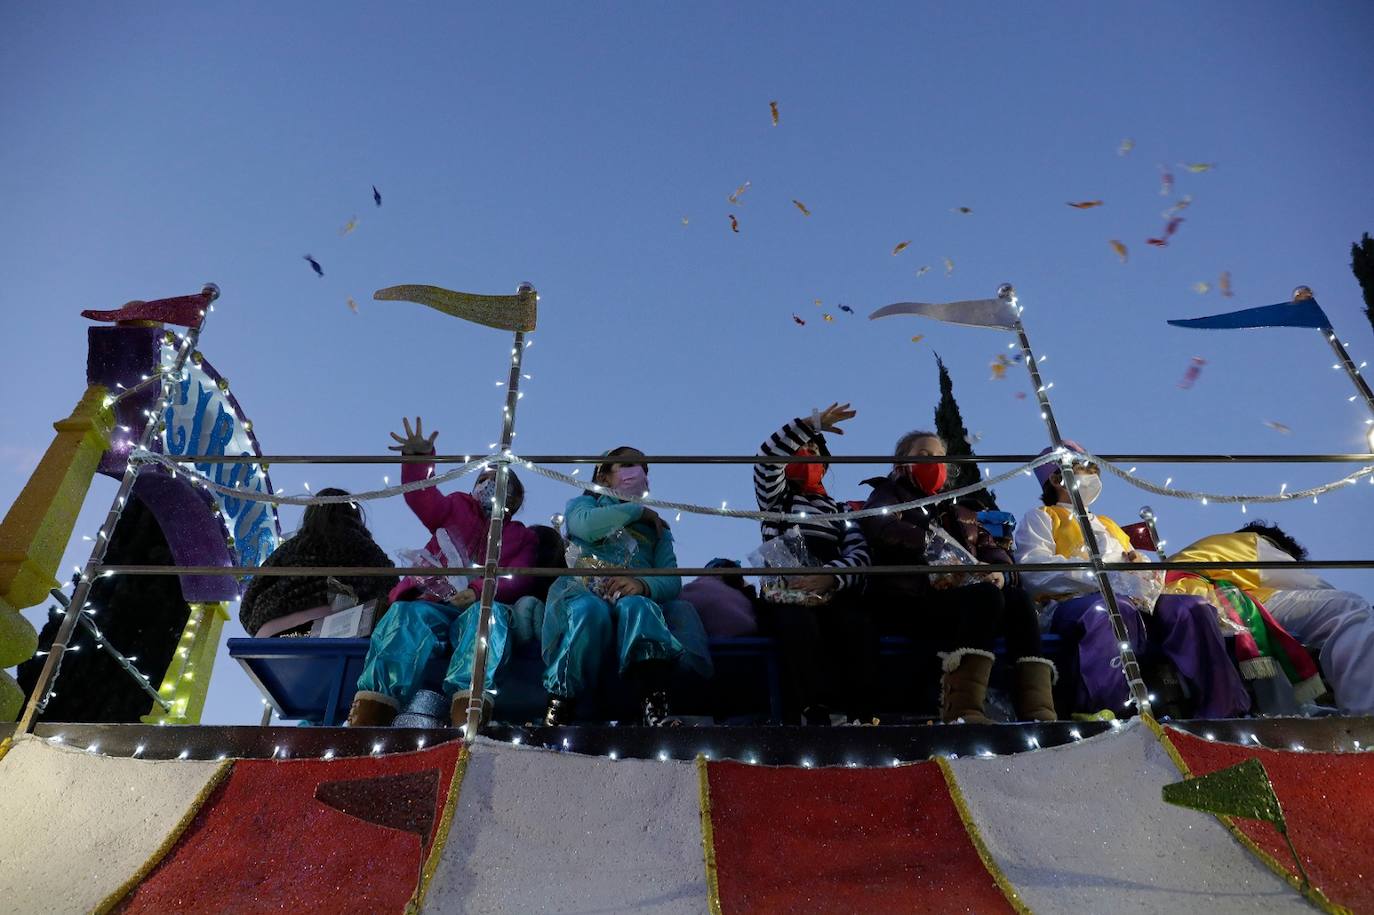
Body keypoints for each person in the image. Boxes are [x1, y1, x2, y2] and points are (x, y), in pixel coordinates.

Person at [1013, 443, 1250, 718]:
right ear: (1057, 478)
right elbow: (1035, 572)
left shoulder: (1108, 524)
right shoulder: (1041, 518)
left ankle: (1224, 708)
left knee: (1192, 608)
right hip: (1075, 602)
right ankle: (1108, 709)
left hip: (1135, 600)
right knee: (1111, 611)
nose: (1093, 479)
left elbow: (1135, 563)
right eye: (1084, 471)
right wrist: (1098, 574)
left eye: (1094, 472)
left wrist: (1140, 568)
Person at [348, 417, 540, 728]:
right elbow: (422, 498)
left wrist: (478, 591)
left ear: (514, 498)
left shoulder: (521, 536)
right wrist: (419, 460)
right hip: (430, 603)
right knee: (404, 618)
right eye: (483, 478)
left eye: (498, 481)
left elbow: (520, 576)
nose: (487, 484)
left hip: (476, 606)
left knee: (488, 620)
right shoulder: (456, 507)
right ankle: (372, 712)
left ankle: (468, 710)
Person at [862, 430, 1056, 723]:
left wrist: (1000, 573)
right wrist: (936, 549)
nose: (933, 463)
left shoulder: (961, 510)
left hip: (966, 596)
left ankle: (1038, 707)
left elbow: (992, 548)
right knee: (985, 597)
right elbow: (881, 528)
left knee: (1016, 598)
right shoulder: (887, 495)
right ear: (902, 462)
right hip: (911, 597)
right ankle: (963, 708)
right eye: (924, 456)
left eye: (939, 457)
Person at [541, 446, 695, 726]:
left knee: (640, 607)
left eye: (644, 469)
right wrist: (636, 511)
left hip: (630, 600)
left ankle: (654, 705)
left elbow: (672, 579)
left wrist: (642, 584)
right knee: (588, 611)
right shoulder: (582, 506)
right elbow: (585, 527)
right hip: (583, 592)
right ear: (603, 476)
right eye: (628, 465)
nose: (638, 473)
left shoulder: (657, 529)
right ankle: (560, 704)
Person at [1166, 522, 1373, 714]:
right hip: (1214, 602)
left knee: (1274, 643)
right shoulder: (1254, 542)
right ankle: (1365, 714)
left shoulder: (1208, 549)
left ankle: (1294, 720)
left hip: (1188, 608)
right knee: (1349, 608)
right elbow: (1305, 584)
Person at [753, 405, 877, 724]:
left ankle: (861, 714)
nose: (806, 453)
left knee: (856, 624)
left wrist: (830, 578)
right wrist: (811, 425)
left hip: (833, 588)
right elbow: (766, 459)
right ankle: (813, 710)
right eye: (799, 449)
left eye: (813, 449)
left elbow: (859, 554)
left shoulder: (840, 511)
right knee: (799, 625)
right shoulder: (776, 501)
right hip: (788, 591)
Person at [239, 488, 397, 637]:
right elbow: (393, 592)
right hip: (333, 632)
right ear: (354, 516)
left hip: (269, 635)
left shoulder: (288, 549)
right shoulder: (364, 548)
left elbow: (248, 605)